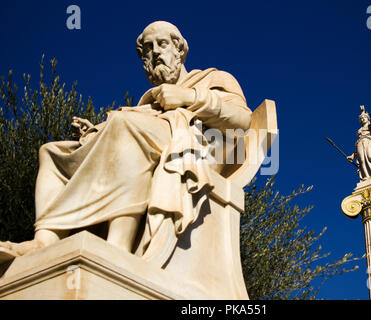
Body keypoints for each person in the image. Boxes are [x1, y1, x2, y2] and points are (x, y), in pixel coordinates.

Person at [0, 21, 252, 261]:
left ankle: (118, 244)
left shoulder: (213, 79)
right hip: (152, 135)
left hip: (189, 145)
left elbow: (242, 120)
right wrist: (95, 132)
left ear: (180, 50)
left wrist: (188, 97)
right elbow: (140, 121)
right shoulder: (148, 102)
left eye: (162, 44)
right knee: (53, 153)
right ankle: (45, 239)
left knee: (125, 128)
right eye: (148, 50)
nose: (154, 53)